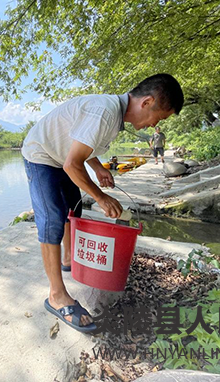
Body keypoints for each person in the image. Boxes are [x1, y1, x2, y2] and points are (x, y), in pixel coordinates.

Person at [21, 73, 184, 333]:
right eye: (159, 118)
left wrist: (97, 168)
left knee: (73, 207)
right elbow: (72, 164)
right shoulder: (105, 112)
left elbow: (82, 144)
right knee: (52, 218)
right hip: (40, 153)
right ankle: (56, 295)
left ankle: (68, 259)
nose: (155, 125)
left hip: (60, 155)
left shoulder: (113, 115)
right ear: (147, 102)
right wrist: (101, 197)